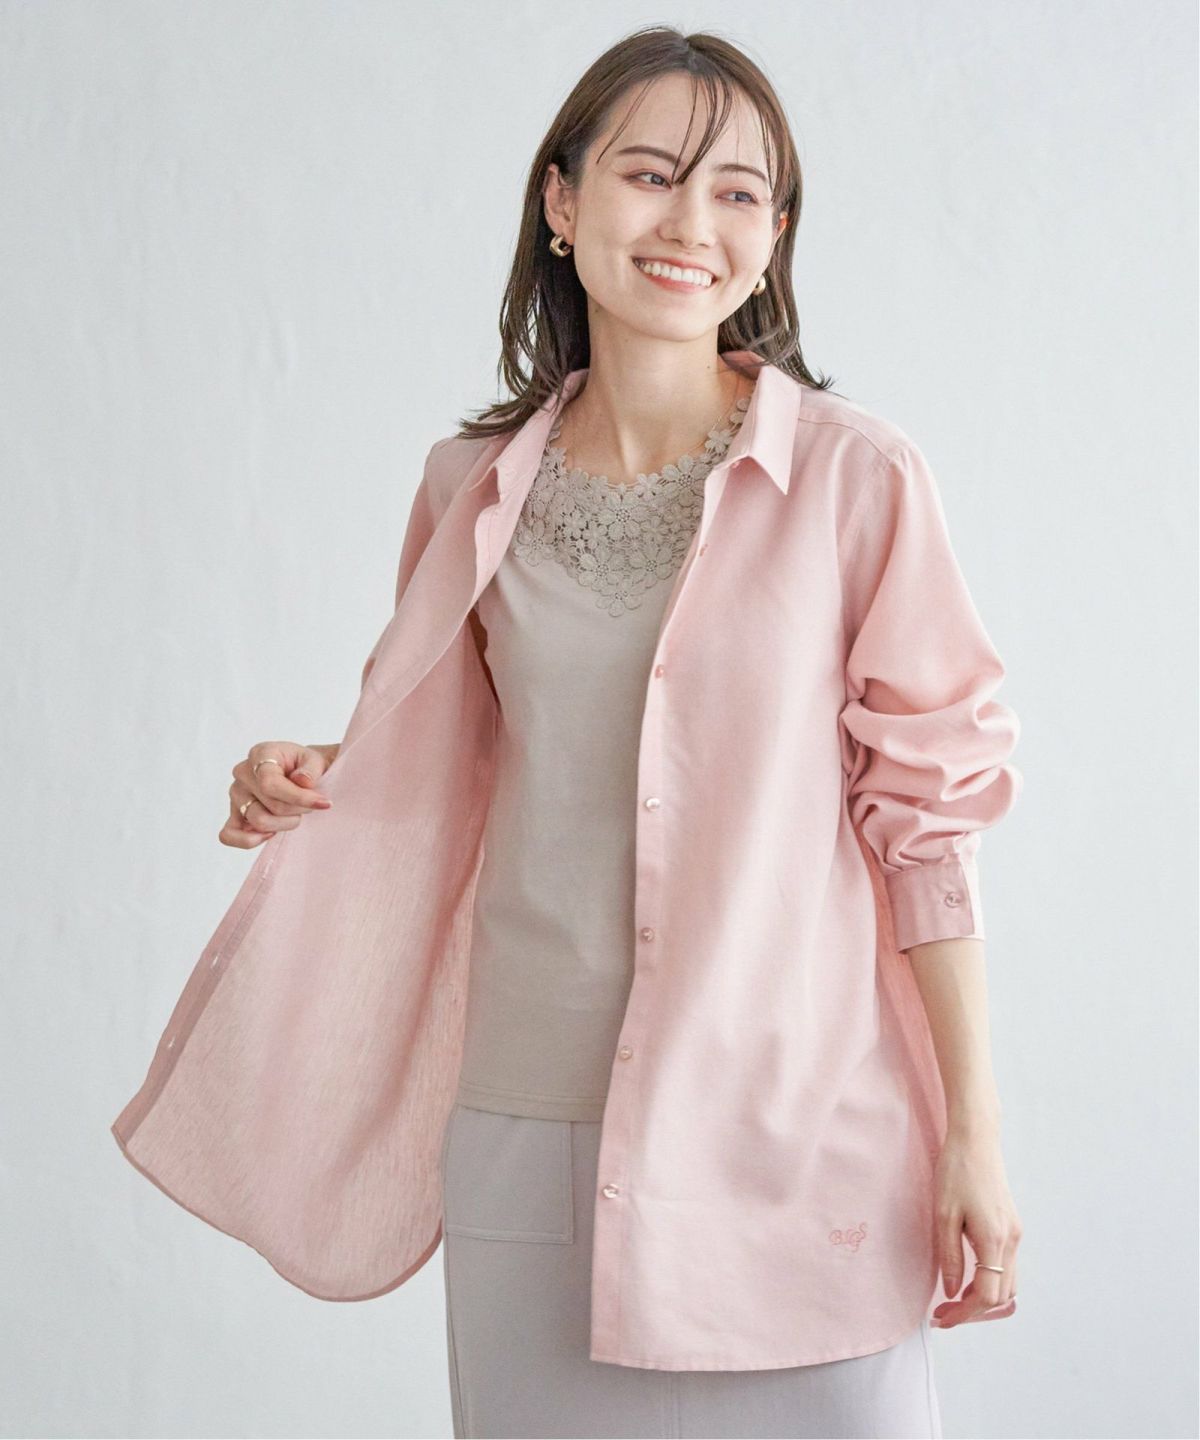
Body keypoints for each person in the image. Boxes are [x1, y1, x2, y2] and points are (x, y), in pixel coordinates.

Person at [114, 24, 1023, 1440]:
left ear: (775, 237)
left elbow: (928, 826)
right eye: (650, 175)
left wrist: (974, 1132)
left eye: (738, 193)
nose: (692, 224)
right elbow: (463, 761)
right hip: (533, 1132)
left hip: (800, 1133)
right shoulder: (467, 487)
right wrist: (313, 775)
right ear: (562, 198)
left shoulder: (859, 482)